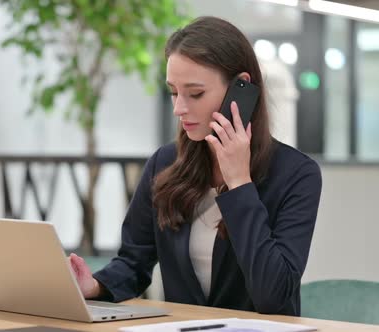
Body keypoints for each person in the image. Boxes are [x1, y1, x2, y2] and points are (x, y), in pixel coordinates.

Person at [69, 16, 322, 316]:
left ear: (240, 89)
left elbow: (273, 296)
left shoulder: (296, 175)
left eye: (195, 93)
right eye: (174, 92)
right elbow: (133, 263)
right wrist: (93, 286)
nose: (179, 108)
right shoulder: (164, 164)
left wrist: (239, 182)